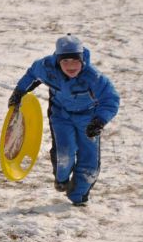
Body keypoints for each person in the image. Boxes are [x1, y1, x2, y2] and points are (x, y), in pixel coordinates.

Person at [8, 34, 119, 206]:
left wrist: (99, 121)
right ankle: (62, 179)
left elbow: (110, 99)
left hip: (88, 118)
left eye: (75, 61)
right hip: (61, 115)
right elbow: (32, 75)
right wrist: (19, 92)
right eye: (65, 61)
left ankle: (79, 196)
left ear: (82, 60)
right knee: (65, 151)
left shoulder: (94, 78)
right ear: (57, 60)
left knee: (89, 159)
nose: (70, 66)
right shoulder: (47, 68)